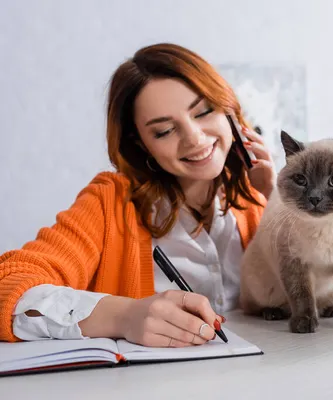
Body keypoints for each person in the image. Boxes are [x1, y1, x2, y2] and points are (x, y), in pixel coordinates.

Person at [0, 43, 275, 347]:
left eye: (204, 111)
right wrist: (123, 316)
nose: (195, 139)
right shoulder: (110, 203)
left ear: (228, 110)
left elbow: (323, 293)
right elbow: (8, 284)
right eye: (164, 131)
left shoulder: (259, 199)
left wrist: (279, 202)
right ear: (141, 143)